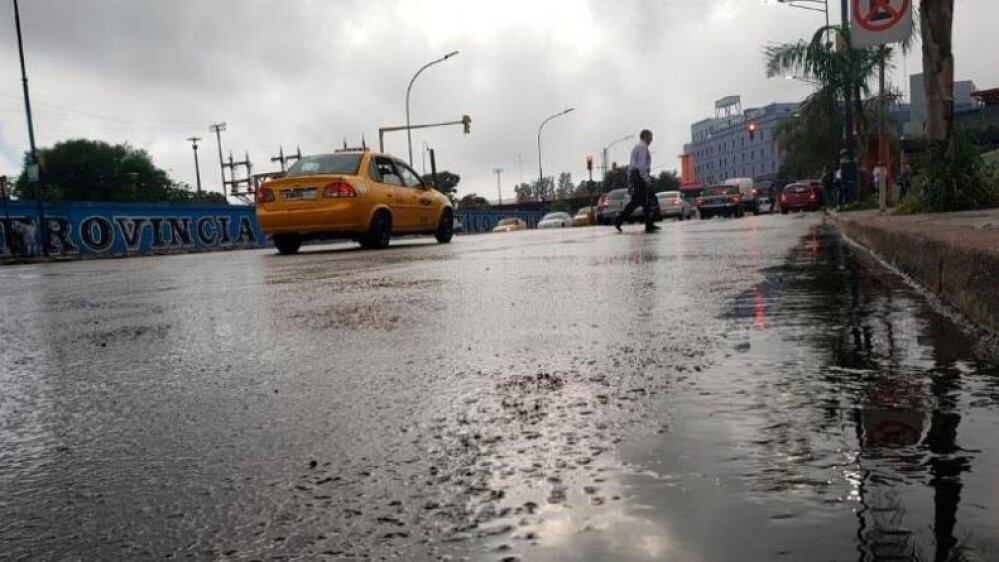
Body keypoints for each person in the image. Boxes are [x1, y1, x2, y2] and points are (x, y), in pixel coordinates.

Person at [614, 129, 660, 233]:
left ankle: (649, 224)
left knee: (644, 201)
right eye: (650, 137)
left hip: (636, 176)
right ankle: (619, 220)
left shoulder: (636, 147)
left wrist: (630, 179)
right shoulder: (643, 148)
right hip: (640, 176)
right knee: (641, 200)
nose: (652, 139)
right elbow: (641, 166)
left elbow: (631, 166)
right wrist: (647, 180)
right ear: (645, 136)